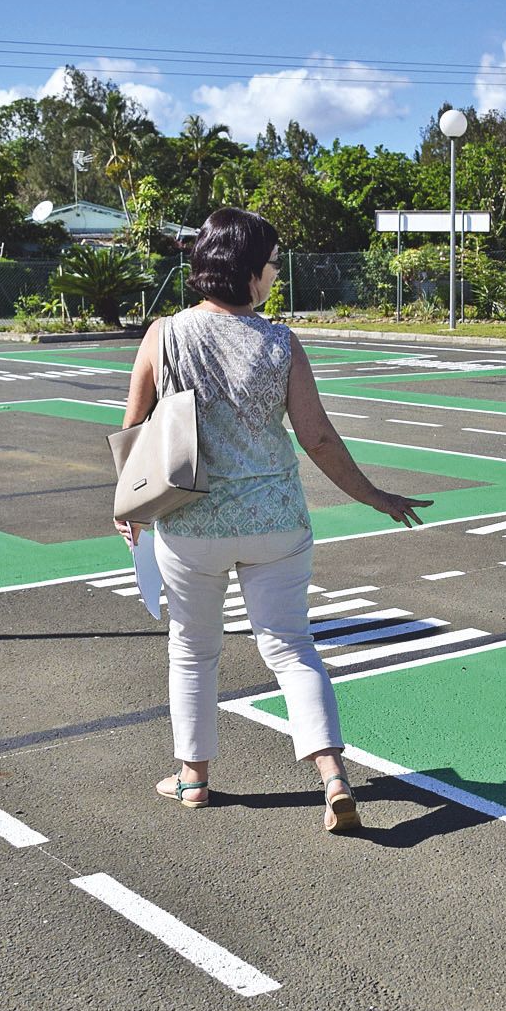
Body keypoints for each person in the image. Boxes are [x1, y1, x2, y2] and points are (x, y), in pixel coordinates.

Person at [115, 207, 430, 832]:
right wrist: (375, 496)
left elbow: (133, 427)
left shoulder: (164, 335)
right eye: (272, 267)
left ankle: (193, 778)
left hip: (190, 521)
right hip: (277, 522)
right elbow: (316, 437)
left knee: (193, 650)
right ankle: (333, 776)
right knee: (291, 648)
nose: (275, 276)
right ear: (250, 274)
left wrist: (128, 504)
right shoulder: (281, 342)